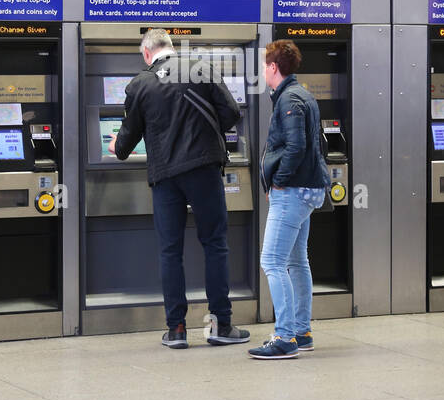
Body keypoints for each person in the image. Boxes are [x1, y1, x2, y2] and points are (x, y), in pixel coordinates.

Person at [109, 28, 251, 349]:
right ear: (172, 48)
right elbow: (231, 112)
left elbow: (123, 145)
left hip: (164, 177)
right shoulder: (199, 68)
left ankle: (176, 329)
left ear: (147, 54)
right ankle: (220, 324)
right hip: (203, 169)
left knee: (170, 251)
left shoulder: (140, 85)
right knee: (214, 243)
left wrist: (119, 142)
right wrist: (204, 132)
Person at [248, 39, 329, 360]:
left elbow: (296, 146)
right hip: (308, 188)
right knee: (296, 261)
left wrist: (278, 182)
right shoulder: (302, 94)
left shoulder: (289, 99)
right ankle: (301, 331)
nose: (262, 71)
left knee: (272, 261)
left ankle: (284, 337)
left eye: (264, 65)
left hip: (293, 190)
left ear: (272, 67)